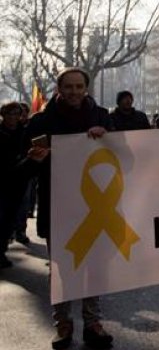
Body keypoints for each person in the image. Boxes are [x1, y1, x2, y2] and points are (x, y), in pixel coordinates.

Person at [21, 68, 115, 349]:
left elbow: (124, 156)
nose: (74, 92)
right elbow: (21, 171)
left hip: (96, 207)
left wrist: (107, 136)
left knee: (95, 266)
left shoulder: (101, 117)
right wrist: (34, 160)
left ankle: (93, 323)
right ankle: (63, 324)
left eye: (79, 86)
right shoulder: (40, 122)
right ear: (59, 88)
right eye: (69, 87)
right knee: (62, 269)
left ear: (86, 88)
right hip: (57, 206)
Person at [0, 102, 27, 267]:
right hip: (1, 181)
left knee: (9, 219)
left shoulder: (24, 133)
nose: (13, 117)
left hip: (17, 181)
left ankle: (2, 251)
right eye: (10, 114)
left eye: (16, 114)